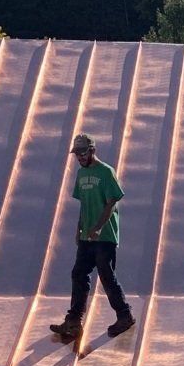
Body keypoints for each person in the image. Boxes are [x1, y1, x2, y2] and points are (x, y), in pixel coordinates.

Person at [50, 133, 136, 344]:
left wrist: (98, 227)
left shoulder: (106, 172)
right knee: (78, 274)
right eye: (77, 154)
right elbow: (84, 204)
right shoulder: (81, 174)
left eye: (83, 153)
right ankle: (74, 321)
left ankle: (125, 315)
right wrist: (79, 228)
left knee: (106, 276)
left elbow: (111, 202)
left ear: (92, 151)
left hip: (104, 236)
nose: (79, 157)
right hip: (87, 236)